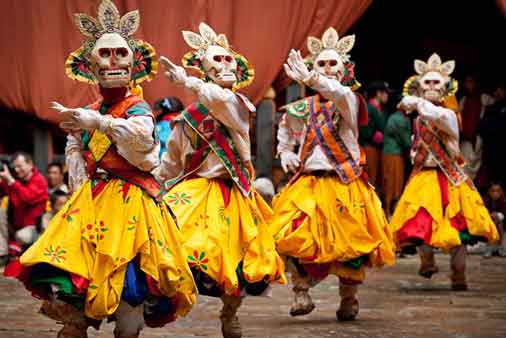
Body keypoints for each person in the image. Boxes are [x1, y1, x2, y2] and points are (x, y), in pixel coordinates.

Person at [4, 1, 196, 337]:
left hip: (132, 201)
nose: (111, 61)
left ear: (134, 64)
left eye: (119, 54)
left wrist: (100, 123)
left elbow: (141, 139)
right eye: (103, 54)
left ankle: (125, 328)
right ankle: (77, 321)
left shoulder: (136, 107)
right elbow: (76, 148)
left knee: (129, 276)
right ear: (91, 65)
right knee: (73, 260)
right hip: (94, 199)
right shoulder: (90, 110)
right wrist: (79, 157)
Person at [153, 22, 286, 338]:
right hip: (196, 191)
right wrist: (155, 182)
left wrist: (188, 82)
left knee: (236, 260)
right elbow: (172, 161)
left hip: (234, 193)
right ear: (205, 70)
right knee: (171, 240)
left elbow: (222, 104)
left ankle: (230, 313)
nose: (225, 66)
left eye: (229, 60)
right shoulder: (187, 120)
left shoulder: (239, 105)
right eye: (217, 61)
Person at [272, 28, 395, 322]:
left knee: (350, 243)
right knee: (292, 234)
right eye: (320, 65)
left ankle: (348, 298)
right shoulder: (299, 109)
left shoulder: (348, 101)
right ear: (313, 68)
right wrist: (286, 152)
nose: (327, 69)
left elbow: (337, 93)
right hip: (308, 183)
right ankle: (301, 291)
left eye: (332, 65)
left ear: (345, 70)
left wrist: (313, 79)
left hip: (344, 182)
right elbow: (286, 135)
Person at [390, 53, 499, 291]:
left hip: (449, 177)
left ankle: (458, 275)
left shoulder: (449, 114)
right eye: (426, 82)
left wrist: (417, 103)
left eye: (436, 82)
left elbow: (437, 117)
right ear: (419, 86)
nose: (430, 86)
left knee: (457, 229)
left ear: (446, 88)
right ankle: (426, 261)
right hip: (424, 177)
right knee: (420, 223)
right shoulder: (418, 119)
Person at [0, 152, 48, 256]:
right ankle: (2, 253)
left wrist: (11, 181)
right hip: (14, 227)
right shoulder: (15, 179)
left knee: (21, 236)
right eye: (14, 167)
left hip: (34, 229)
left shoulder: (39, 180)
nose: (16, 170)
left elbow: (27, 198)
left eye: (19, 166)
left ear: (30, 164)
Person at [458, 76, 494, 180]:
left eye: (471, 82)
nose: (468, 85)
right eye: (466, 82)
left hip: (479, 138)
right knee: (464, 167)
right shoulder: (463, 100)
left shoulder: (485, 98)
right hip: (465, 139)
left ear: (476, 83)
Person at [359, 81, 390, 189]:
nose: (387, 95)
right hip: (369, 147)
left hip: (378, 148)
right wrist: (372, 136)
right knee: (370, 175)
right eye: (385, 93)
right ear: (378, 93)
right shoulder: (368, 108)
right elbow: (364, 128)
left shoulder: (379, 109)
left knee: (377, 177)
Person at [382, 108, 412, 215]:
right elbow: (406, 141)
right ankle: (391, 211)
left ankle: (387, 210)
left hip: (387, 153)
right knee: (394, 184)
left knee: (388, 182)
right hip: (394, 154)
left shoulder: (393, 117)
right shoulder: (401, 120)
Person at [478, 82, 506, 186]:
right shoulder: (491, 108)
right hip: (491, 149)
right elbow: (482, 127)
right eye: (496, 90)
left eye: (501, 90)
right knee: (491, 176)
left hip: (503, 148)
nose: (498, 93)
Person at [483, 182, 506, 257]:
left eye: (498, 191)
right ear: (489, 192)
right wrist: (490, 215)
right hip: (488, 222)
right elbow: (483, 212)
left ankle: (501, 246)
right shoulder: (485, 200)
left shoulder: (504, 200)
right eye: (493, 191)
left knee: (499, 221)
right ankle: (489, 246)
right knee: (492, 222)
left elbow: (504, 213)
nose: (495, 193)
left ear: (501, 192)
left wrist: (498, 215)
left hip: (501, 223)